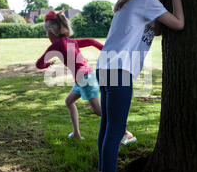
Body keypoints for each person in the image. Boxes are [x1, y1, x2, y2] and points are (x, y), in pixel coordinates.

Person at [96, 0, 185, 172]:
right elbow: (178, 24)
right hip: (120, 69)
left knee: (106, 129)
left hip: (107, 67)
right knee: (115, 131)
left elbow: (156, 29)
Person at [35, 10, 136, 143]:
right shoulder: (71, 42)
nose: (47, 35)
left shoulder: (56, 45)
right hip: (82, 79)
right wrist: (105, 49)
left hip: (85, 79)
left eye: (46, 32)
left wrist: (46, 65)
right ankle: (76, 134)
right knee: (69, 101)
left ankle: (125, 133)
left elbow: (38, 64)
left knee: (99, 111)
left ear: (52, 31)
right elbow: (92, 41)